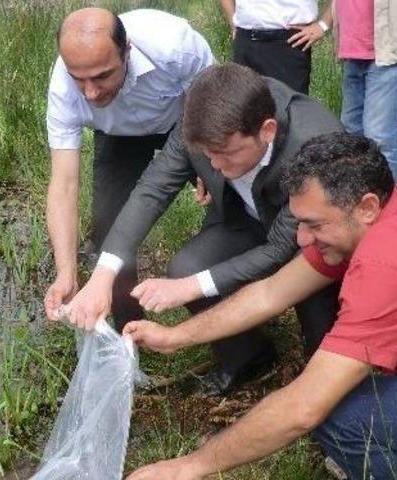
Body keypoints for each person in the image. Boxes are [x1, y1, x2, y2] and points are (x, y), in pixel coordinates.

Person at [124, 132, 397, 480]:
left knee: (339, 414)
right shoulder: (387, 209)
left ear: (364, 206)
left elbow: (304, 407)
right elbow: (272, 292)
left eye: (313, 224)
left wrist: (191, 467)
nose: (302, 239)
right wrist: (174, 336)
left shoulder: (392, 263)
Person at [66, 64, 343, 396]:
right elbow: (151, 191)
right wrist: (103, 274)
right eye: (207, 155)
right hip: (245, 222)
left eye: (226, 154)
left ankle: (326, 385)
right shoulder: (197, 123)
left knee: (316, 324)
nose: (214, 167)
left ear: (267, 131)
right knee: (188, 265)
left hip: (311, 244)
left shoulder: (314, 144)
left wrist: (190, 288)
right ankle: (249, 358)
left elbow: (282, 248)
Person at [43, 8, 214, 330]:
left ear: (127, 52)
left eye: (102, 75)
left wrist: (206, 161)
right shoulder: (62, 90)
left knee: (228, 195)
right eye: (78, 79)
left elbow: (215, 103)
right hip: (118, 134)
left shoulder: (175, 46)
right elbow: (63, 185)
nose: (90, 92)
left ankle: (235, 298)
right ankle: (129, 327)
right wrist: (65, 272)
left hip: (185, 123)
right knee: (109, 228)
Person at [290, 0, 397, 183]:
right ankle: (361, 208)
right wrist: (325, 23)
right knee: (352, 144)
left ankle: (390, 210)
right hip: (355, 49)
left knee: (383, 145)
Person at [219, 0, 321, 94]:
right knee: (241, 108)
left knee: (287, 109)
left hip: (289, 44)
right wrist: (234, 23)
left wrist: (323, 25)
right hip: (245, 40)